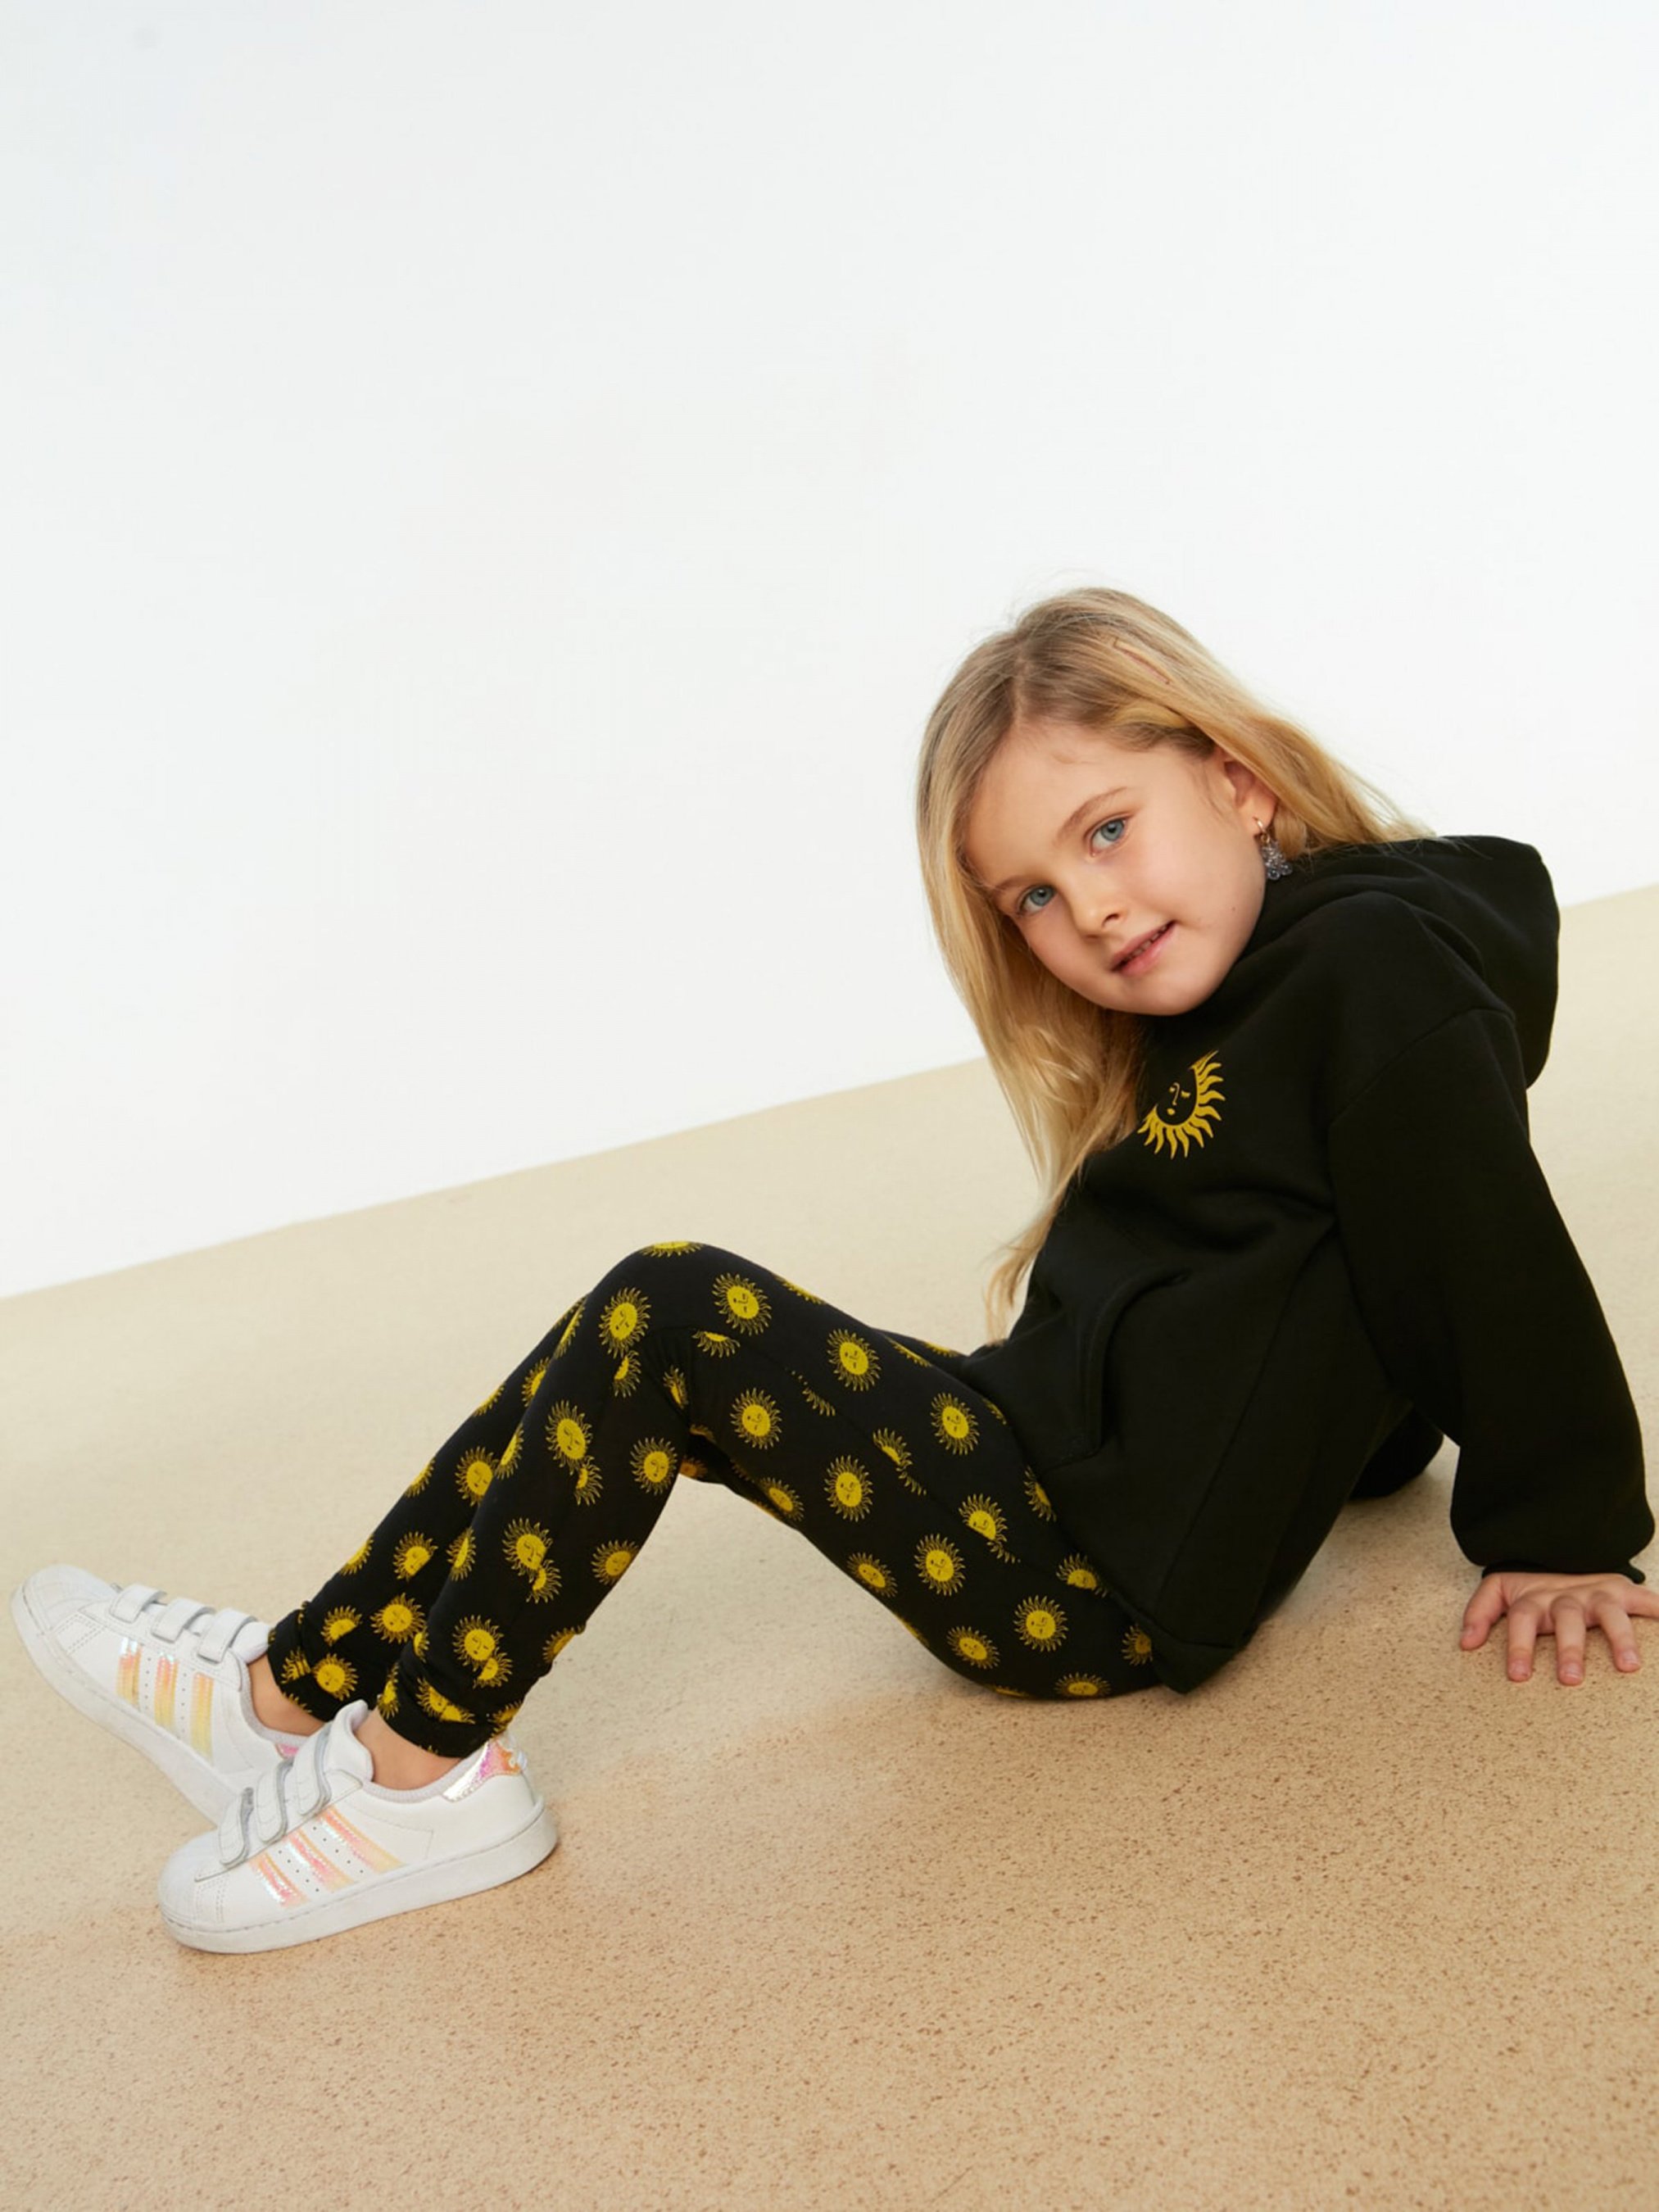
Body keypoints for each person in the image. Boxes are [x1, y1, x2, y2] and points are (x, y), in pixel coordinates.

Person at [13, 585, 1654, 1956]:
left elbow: (1472, 1231)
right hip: (1037, 1445)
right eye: (1033, 893)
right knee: (630, 1328)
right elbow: (1329, 1245)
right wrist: (1372, 1450)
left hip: (1089, 1575)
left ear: (1233, 781)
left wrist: (1560, 1526)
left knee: (670, 1312)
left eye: (1105, 829)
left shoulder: (1370, 969)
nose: (1089, 906)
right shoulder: (1264, 981)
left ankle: (420, 1773)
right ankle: (290, 1693)